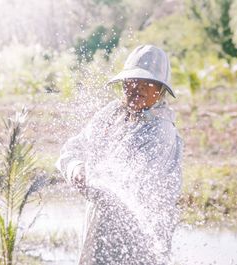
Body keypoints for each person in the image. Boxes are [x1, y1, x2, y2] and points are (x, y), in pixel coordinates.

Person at [56, 44, 183, 265]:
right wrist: (76, 168)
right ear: (124, 82)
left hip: (139, 235)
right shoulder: (111, 113)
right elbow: (72, 149)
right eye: (133, 80)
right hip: (100, 225)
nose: (139, 88)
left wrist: (91, 180)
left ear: (160, 91)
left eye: (149, 83)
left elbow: (129, 184)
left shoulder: (161, 131)